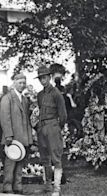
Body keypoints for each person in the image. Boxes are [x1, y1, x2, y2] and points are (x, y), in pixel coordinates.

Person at [35, 66, 67, 196]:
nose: (43, 80)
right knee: (44, 158)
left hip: (53, 126)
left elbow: (63, 115)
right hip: (41, 128)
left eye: (45, 77)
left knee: (56, 157)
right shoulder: (40, 95)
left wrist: (57, 127)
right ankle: (47, 186)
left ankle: (57, 188)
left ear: (50, 77)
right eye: (41, 78)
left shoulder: (56, 93)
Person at [0, 73, 33, 194]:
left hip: (22, 136)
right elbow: (5, 118)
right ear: (14, 83)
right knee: (10, 162)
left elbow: (27, 119)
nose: (22, 85)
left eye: (24, 83)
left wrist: (29, 138)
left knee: (20, 161)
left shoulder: (24, 100)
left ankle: (17, 186)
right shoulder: (7, 98)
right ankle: (7, 186)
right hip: (12, 137)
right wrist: (8, 135)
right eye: (19, 83)